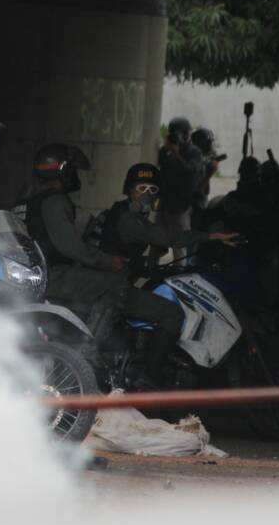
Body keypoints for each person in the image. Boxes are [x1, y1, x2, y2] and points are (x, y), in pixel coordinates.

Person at [93, 163, 238, 389]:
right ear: (129, 190)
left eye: (152, 190)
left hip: (111, 284)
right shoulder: (128, 219)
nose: (147, 195)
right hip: (111, 289)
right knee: (172, 314)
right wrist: (211, 236)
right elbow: (170, 237)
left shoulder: (125, 214)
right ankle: (150, 376)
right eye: (142, 188)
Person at [23, 143, 126, 351]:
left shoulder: (33, 197)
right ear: (64, 171)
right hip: (53, 275)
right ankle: (90, 349)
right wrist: (109, 262)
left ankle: (72, 337)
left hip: (39, 273)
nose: (76, 175)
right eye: (73, 170)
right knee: (116, 284)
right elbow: (70, 247)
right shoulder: (55, 201)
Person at [157, 117, 204, 260]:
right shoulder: (166, 151)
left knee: (180, 248)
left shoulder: (194, 152)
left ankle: (178, 276)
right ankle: (151, 273)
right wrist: (167, 150)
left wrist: (177, 154)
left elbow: (190, 171)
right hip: (165, 204)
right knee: (156, 243)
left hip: (181, 206)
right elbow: (162, 168)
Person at [190, 127, 223, 219]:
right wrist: (209, 174)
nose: (211, 146)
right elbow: (198, 194)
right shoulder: (194, 162)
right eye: (209, 143)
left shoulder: (197, 159)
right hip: (192, 207)